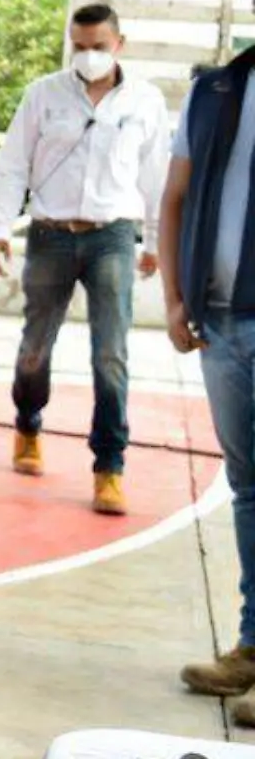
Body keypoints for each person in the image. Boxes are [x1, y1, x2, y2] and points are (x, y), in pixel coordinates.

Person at [0, 3, 168, 514]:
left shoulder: (145, 102)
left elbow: (156, 178)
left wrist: (155, 241)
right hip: (51, 236)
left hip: (112, 237)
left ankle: (109, 465)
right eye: (80, 47)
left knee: (111, 354)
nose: (89, 56)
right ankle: (28, 423)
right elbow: (11, 163)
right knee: (35, 348)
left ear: (119, 44)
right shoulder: (43, 95)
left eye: (99, 46)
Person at [169, 45, 255, 721]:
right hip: (220, 321)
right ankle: (253, 647)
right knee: (249, 488)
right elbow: (175, 196)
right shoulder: (215, 92)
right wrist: (176, 296)